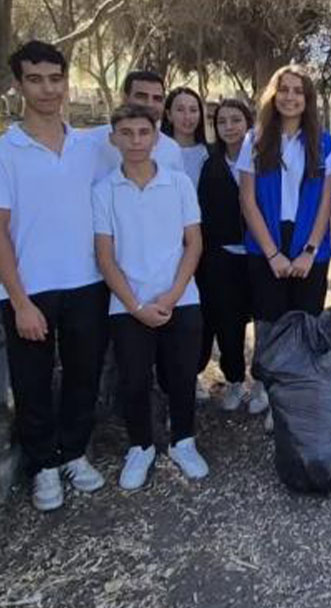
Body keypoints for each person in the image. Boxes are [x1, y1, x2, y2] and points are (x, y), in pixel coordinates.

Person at [0, 40, 110, 512]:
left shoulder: (88, 147)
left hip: (87, 284)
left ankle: (74, 452)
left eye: (55, 79)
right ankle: (44, 467)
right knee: (32, 384)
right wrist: (19, 301)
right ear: (18, 85)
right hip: (30, 289)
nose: (47, 88)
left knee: (83, 377)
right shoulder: (1, 153)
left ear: (65, 82)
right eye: (35, 79)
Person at [94, 103, 208, 490]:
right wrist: (136, 306)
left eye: (143, 133)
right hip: (128, 305)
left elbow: (193, 243)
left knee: (181, 377)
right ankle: (141, 446)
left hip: (181, 298)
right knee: (133, 381)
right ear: (114, 139)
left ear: (156, 136)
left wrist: (173, 294)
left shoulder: (178, 183)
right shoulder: (104, 190)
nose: (136, 141)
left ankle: (183, 441)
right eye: (126, 133)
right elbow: (105, 257)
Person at [237, 64, 331, 430]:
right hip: (266, 243)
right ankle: (268, 390)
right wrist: (273, 254)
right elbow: (247, 201)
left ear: (307, 99)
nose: (291, 97)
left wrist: (309, 251)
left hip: (309, 246)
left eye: (299, 91)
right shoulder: (255, 139)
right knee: (268, 324)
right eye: (285, 90)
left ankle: (296, 397)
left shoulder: (325, 143)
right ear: (273, 95)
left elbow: (326, 202)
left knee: (303, 325)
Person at [196, 99, 259, 413]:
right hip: (222, 258)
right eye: (223, 122)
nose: (230, 127)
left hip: (260, 255)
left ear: (248, 123)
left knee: (264, 321)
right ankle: (234, 380)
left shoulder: (263, 160)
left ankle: (262, 383)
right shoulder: (211, 164)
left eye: (237, 120)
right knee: (229, 324)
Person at [91, 70, 184, 178]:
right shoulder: (92, 142)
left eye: (157, 99)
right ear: (125, 99)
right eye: (142, 97)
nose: (150, 104)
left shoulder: (172, 149)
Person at [162, 86, 208, 187]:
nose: (187, 116)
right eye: (180, 110)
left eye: (193, 110)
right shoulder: (157, 152)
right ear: (169, 115)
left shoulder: (209, 154)